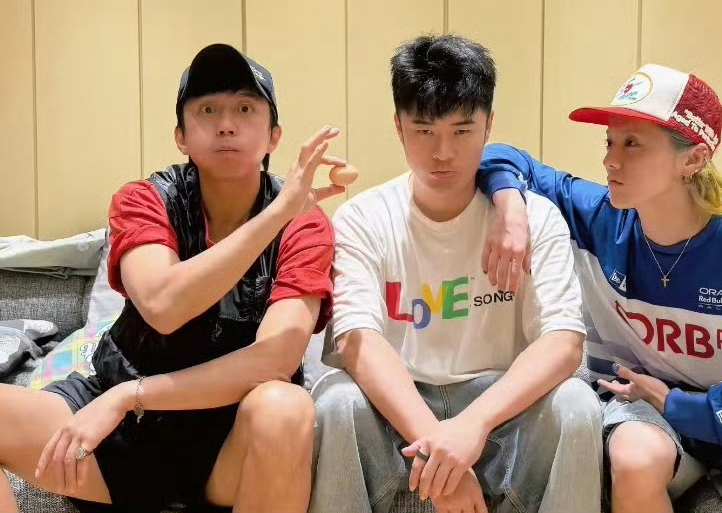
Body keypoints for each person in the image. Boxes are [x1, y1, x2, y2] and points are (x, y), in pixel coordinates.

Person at [477, 62, 722, 513]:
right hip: (647, 411)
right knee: (634, 457)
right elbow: (497, 155)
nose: (610, 160)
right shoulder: (598, 217)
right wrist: (509, 207)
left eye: (632, 143)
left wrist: (684, 405)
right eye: (610, 142)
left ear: (692, 159)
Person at [0, 43, 344, 513]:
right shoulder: (145, 200)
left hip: (230, 440)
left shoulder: (304, 222)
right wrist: (276, 215)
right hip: (119, 428)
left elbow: (275, 360)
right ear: (181, 136)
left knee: (285, 406)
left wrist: (132, 395)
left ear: (274, 136)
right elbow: (163, 307)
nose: (226, 124)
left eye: (245, 109)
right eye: (208, 110)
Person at [309, 34, 602, 513]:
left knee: (577, 405)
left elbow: (563, 343)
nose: (442, 152)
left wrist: (472, 426)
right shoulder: (364, 217)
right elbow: (357, 341)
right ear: (398, 126)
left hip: (502, 411)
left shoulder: (532, 218)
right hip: (397, 413)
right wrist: (438, 447)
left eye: (462, 131)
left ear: (489, 126)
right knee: (337, 402)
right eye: (424, 130)